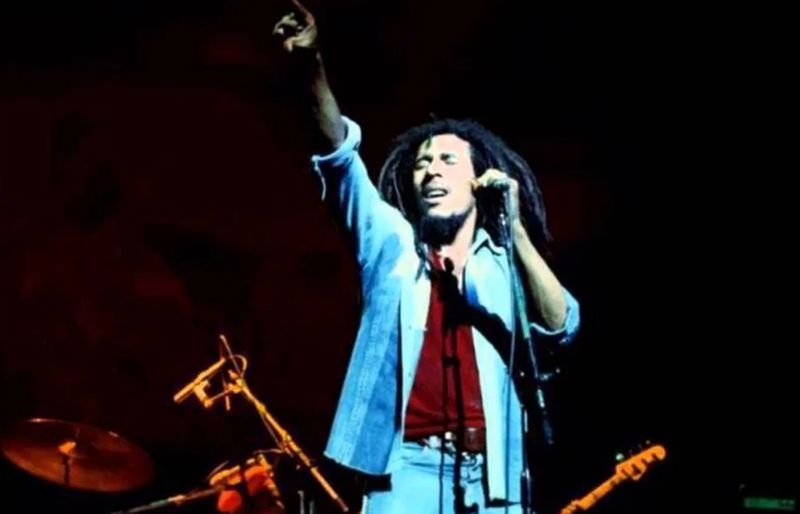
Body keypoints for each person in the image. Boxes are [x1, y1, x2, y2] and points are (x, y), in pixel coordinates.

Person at [270, 2, 580, 513]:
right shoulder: (391, 243)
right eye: (422, 163)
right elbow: (340, 158)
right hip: (405, 473)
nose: (432, 170)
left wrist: (517, 232)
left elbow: (561, 325)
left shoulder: (501, 263)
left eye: (447, 160)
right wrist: (311, 64)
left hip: (494, 476)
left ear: (477, 179)